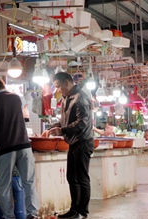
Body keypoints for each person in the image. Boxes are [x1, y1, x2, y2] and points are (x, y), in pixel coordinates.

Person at [0, 78, 39, 219]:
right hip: (24, 146)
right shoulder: (16, 98)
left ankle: (9, 216)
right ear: (4, 86)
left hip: (6, 148)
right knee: (29, 182)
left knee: (5, 185)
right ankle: (33, 214)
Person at [50, 72, 93, 219]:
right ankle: (74, 210)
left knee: (81, 178)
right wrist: (55, 127)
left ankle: (82, 212)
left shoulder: (81, 98)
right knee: (71, 177)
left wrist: (62, 130)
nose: (58, 90)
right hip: (73, 142)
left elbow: (83, 122)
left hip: (83, 141)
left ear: (67, 82)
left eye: (59, 86)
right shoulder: (66, 98)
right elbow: (66, 120)